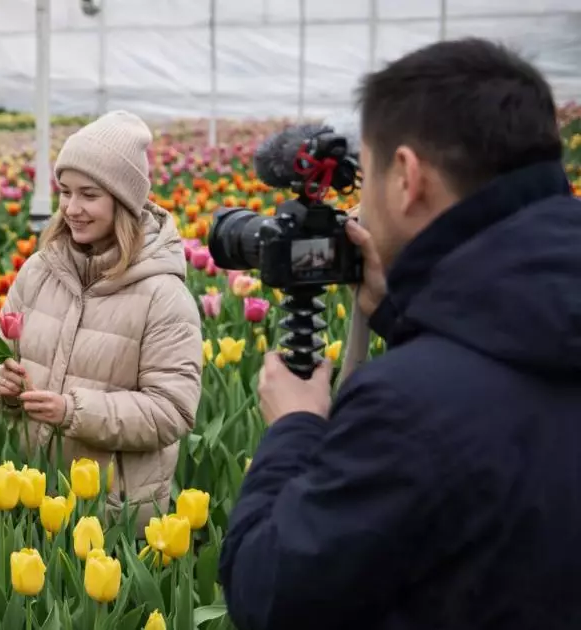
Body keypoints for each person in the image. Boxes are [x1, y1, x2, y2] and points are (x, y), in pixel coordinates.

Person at [220, 38, 581, 630]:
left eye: (367, 176)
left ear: (408, 178)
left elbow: (271, 593)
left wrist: (295, 427)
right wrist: (398, 314)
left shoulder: (406, 407)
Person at [0, 110, 204, 530]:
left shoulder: (163, 296)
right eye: (65, 192)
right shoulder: (39, 271)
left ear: (123, 201)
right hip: (31, 497)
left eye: (89, 194)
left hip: (112, 514)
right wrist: (0, 384)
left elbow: (171, 411)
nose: (72, 208)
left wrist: (72, 411)